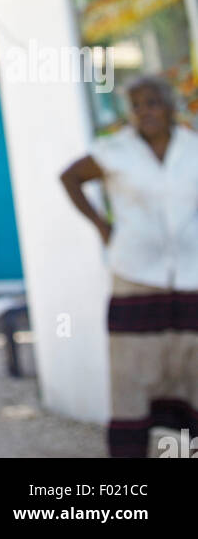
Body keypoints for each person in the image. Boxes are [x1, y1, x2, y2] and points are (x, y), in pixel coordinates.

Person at [60, 75, 198, 458]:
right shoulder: (114, 151)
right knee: (133, 373)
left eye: (152, 102)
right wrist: (104, 229)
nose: (144, 111)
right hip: (135, 276)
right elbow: (69, 177)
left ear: (169, 107)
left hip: (192, 277)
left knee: (193, 363)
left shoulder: (193, 148)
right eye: (136, 105)